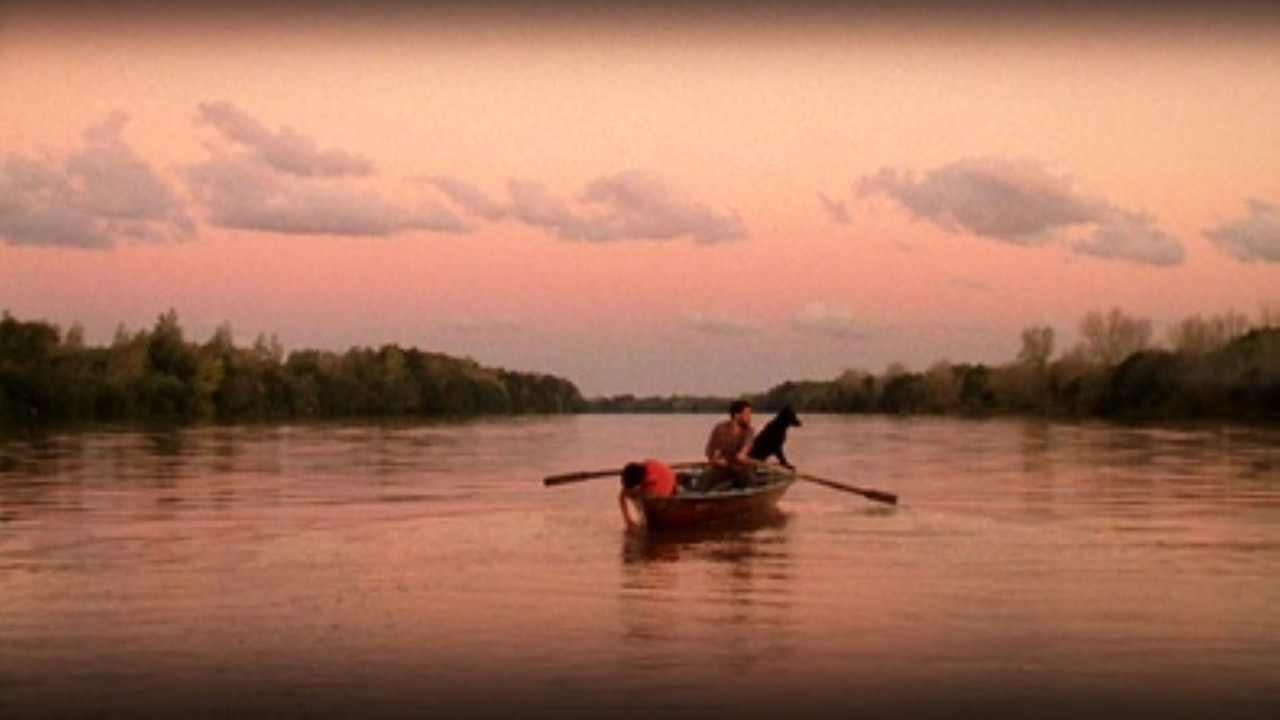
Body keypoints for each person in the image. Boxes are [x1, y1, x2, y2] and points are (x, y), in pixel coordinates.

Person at [701, 399, 756, 490]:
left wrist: (742, 454)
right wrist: (715, 460)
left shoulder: (749, 430)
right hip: (723, 466)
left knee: (751, 485)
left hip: (741, 467)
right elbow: (709, 450)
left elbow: (748, 444)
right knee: (702, 482)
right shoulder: (720, 428)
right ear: (737, 415)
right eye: (747, 414)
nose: (750, 417)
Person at [618, 459, 677, 529]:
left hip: (665, 487)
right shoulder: (643, 467)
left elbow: (650, 492)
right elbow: (622, 494)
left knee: (646, 495)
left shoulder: (650, 477)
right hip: (666, 479)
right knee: (632, 493)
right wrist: (627, 519)